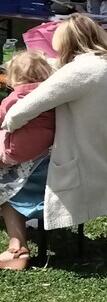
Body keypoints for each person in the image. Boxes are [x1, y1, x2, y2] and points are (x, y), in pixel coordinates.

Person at [0, 16, 107, 270]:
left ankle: (17, 248)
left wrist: (7, 126)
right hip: (100, 158)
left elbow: (22, 110)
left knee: (3, 179)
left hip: (70, 161)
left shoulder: (80, 71)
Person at [0, 50, 57, 270]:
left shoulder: (15, 98)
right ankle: (17, 246)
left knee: (4, 186)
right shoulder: (52, 96)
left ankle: (17, 247)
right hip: (48, 158)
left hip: (19, 158)